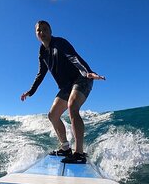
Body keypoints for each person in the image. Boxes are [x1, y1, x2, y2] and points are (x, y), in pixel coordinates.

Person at [21, 20, 106, 164]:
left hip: (81, 77)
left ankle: (79, 153)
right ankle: (65, 148)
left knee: (72, 107)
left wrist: (87, 72)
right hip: (66, 86)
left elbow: (73, 57)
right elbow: (40, 74)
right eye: (38, 30)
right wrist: (30, 91)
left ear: (50, 31)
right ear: (36, 34)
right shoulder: (42, 52)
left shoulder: (59, 42)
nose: (42, 32)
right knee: (53, 115)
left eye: (45, 29)